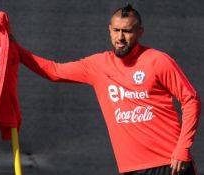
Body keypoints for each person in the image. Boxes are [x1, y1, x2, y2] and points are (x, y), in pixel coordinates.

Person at [10, 4, 201, 175]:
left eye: (127, 31)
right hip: (131, 168)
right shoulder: (98, 65)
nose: (120, 37)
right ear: (109, 30)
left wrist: (183, 148)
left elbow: (190, 99)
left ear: (140, 32)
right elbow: (54, 71)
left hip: (170, 164)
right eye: (116, 30)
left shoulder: (157, 60)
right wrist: (15, 48)